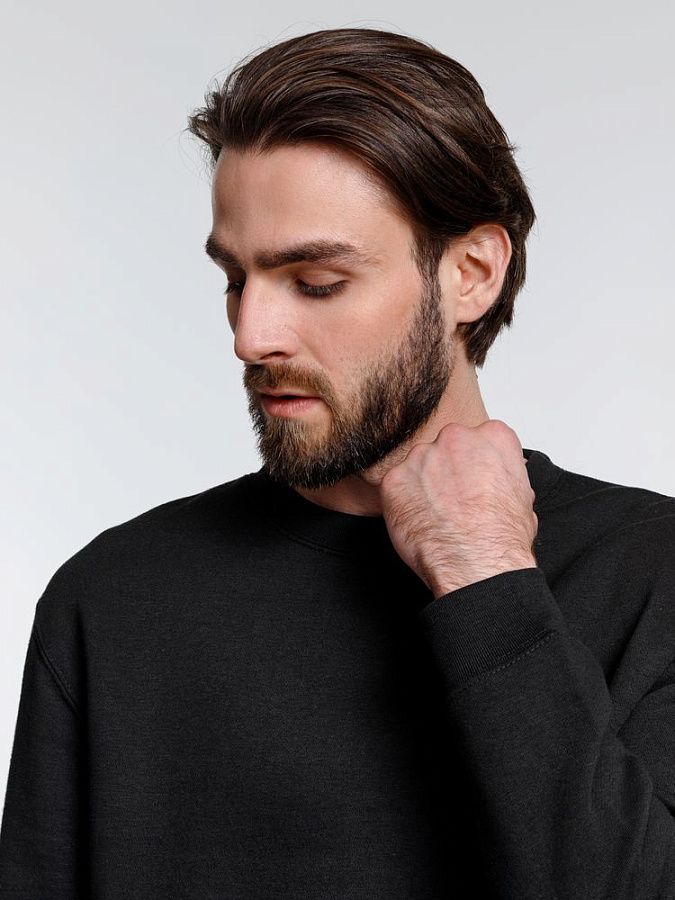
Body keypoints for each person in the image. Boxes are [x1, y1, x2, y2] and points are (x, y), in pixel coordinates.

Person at [1, 26, 673, 899]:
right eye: (235, 279)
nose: (251, 336)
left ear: (471, 272)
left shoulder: (650, 573)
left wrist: (484, 577)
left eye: (316, 282)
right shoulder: (112, 600)